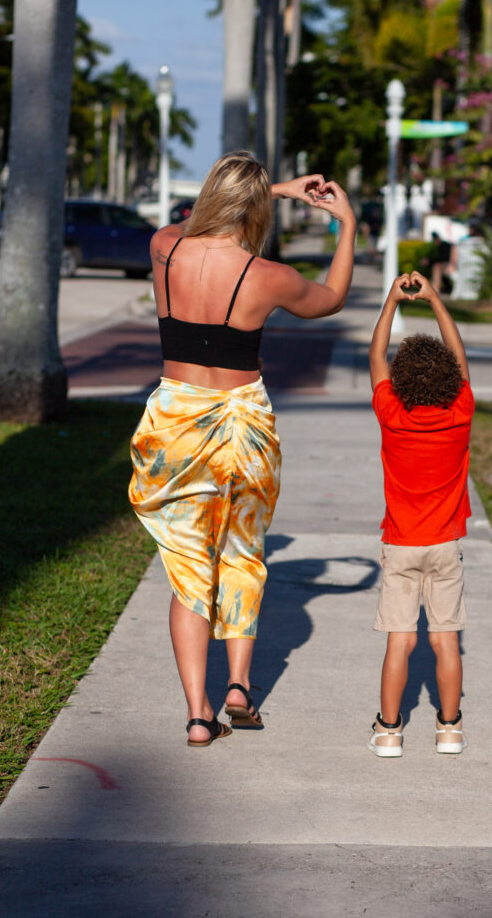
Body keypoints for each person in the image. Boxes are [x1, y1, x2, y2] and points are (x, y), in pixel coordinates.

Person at [128, 150, 356, 747]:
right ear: (253, 209)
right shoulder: (267, 276)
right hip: (243, 422)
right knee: (243, 554)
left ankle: (198, 716)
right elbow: (331, 297)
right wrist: (346, 225)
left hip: (176, 421)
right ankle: (238, 687)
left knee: (188, 574)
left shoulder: (165, 248)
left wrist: (268, 188)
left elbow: (191, 220)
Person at [367, 270, 474, 758]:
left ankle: (389, 730)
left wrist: (392, 301)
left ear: (402, 377)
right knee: (445, 641)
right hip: (445, 545)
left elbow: (375, 357)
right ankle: (449, 728)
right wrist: (433, 299)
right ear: (450, 379)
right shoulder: (460, 410)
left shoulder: (393, 413)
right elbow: (460, 359)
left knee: (400, 641)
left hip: (401, 544)